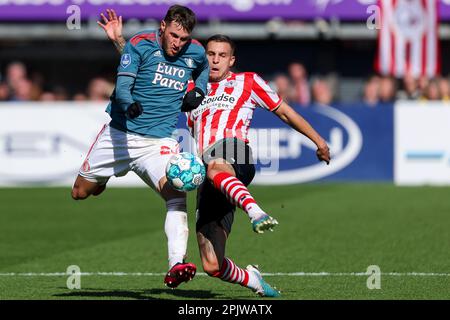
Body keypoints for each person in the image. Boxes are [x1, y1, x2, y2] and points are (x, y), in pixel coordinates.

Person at [104, 15, 330, 297]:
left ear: (231, 60)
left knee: (216, 165)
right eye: (210, 54)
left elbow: (285, 112)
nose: (215, 60)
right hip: (207, 175)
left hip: (234, 152)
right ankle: (253, 279)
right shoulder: (187, 86)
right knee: (212, 264)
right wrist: (118, 41)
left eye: (222, 55)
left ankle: (255, 212)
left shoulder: (248, 82)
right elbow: (147, 68)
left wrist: (319, 141)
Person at [72, 5, 209, 289]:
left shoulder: (195, 51)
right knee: (80, 193)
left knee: (176, 194)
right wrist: (128, 104)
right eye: (173, 36)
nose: (177, 44)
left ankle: (176, 264)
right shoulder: (139, 44)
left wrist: (199, 91)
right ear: (162, 27)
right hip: (119, 137)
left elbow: (204, 68)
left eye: (183, 39)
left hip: (158, 143)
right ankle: (103, 179)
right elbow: (122, 87)